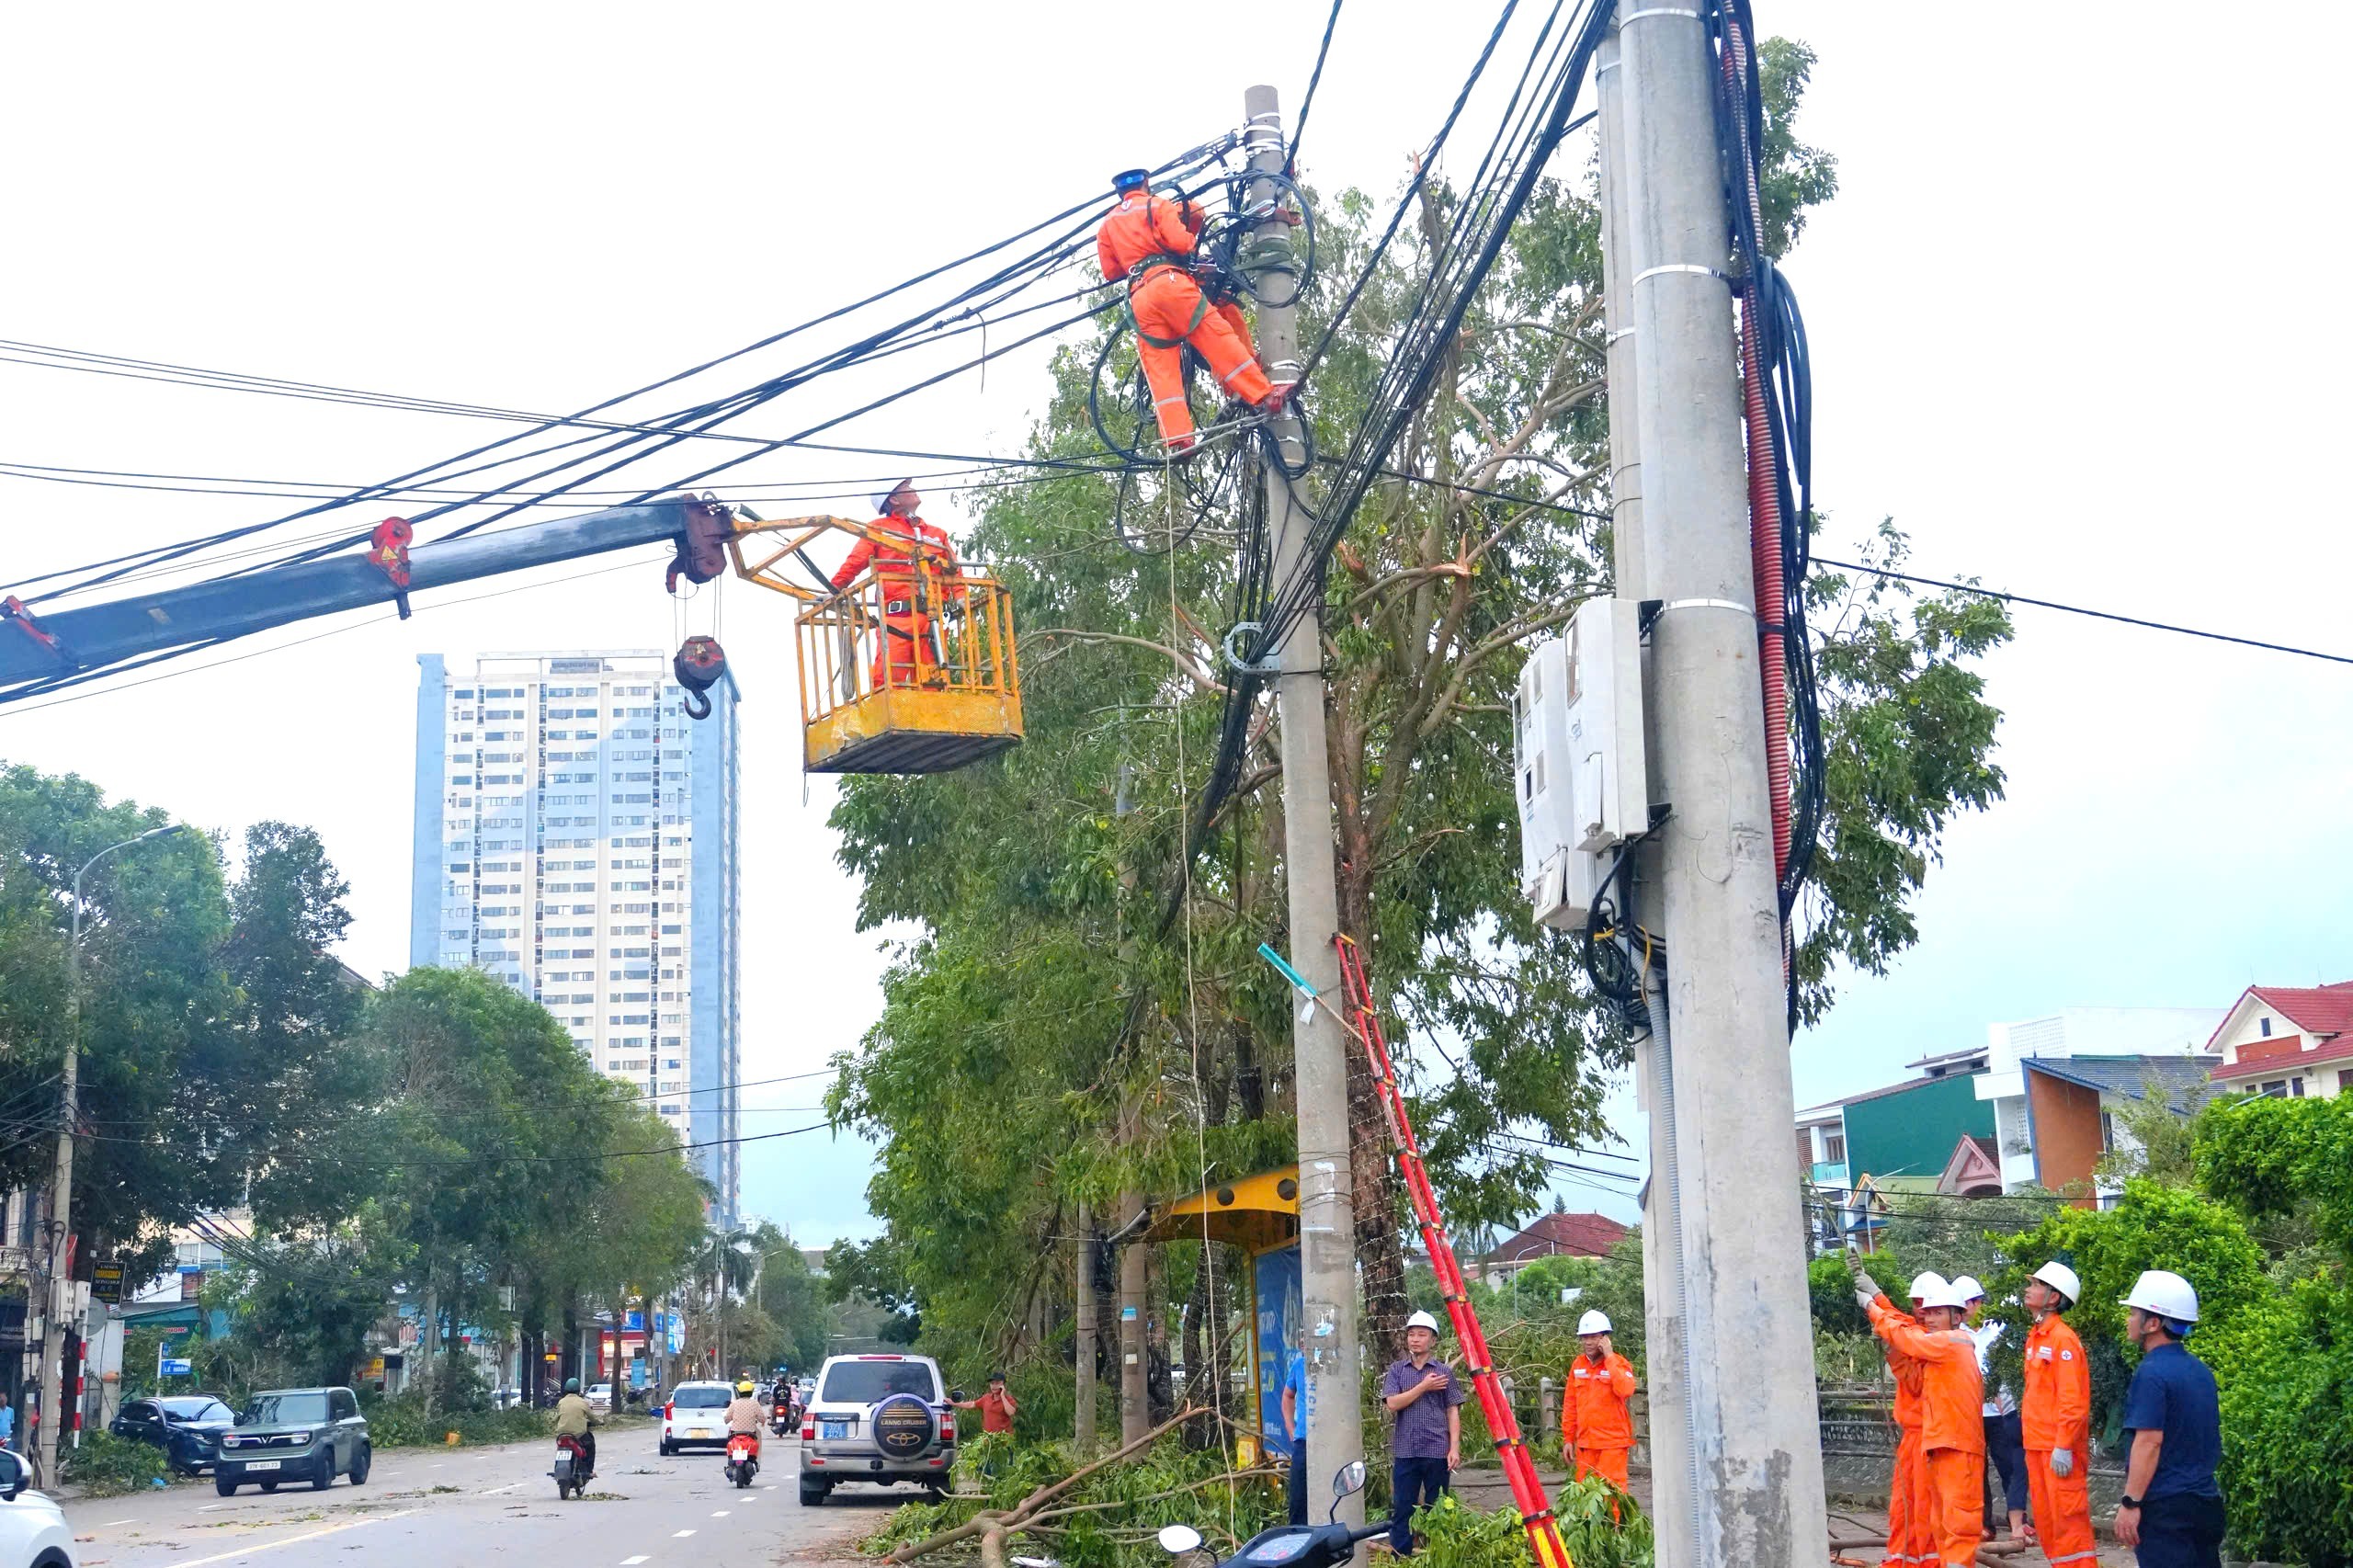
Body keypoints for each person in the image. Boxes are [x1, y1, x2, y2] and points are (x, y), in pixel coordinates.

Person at [1095, 168, 1287, 454]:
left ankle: (1178, 440)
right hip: (1169, 282)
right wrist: (1183, 245)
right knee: (1214, 335)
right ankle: (1262, 394)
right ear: (1147, 184)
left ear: (1118, 192)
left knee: (1161, 369)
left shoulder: (1107, 224)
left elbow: (1110, 271)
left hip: (1140, 299)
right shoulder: (1157, 205)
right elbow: (1181, 242)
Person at [1854, 1261, 1985, 1568]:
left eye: (1937, 1311)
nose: (1928, 1315)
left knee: (1955, 1524)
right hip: (1938, 1444)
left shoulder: (1950, 1342)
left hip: (1953, 1445)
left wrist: (1873, 1308)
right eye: (1927, 1310)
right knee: (1932, 1519)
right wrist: (1879, 1302)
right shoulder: (1936, 1345)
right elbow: (1906, 1334)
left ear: (1956, 1316)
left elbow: (1907, 1334)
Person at [2113, 1270, 2224, 1568]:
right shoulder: (2201, 1371)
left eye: (2134, 1312)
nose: (2128, 1319)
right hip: (2206, 1504)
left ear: (2153, 1323)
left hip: (2166, 1512)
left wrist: (2130, 1503)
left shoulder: (2151, 1373)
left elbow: (2149, 1442)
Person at [831, 481, 959, 690]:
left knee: (934, 679)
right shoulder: (879, 529)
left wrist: (961, 596)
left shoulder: (937, 534)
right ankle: (891, 717)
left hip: (931, 618)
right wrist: (834, 589)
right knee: (889, 679)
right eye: (906, 488)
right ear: (894, 499)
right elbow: (856, 560)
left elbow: (954, 570)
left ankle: (930, 717)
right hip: (897, 618)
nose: (914, 489)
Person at [2018, 1261, 2094, 1568]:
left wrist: (2063, 1445)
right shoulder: (2036, 1337)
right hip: (2037, 1447)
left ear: (2052, 1297)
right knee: (2049, 1525)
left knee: (2069, 1527)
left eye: (2036, 1284)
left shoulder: (2063, 1340)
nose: (2028, 1288)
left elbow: (2072, 1399)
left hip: (2057, 1450)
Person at [1871, 1270, 1944, 1568]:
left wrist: (1891, 1349)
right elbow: (1896, 1319)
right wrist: (1873, 1296)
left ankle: (1925, 1562)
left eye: (1925, 1305)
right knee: (1903, 1506)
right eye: (1916, 1303)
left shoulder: (1937, 1343)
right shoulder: (1917, 1330)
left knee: (1924, 1508)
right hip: (1913, 1438)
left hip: (1929, 1439)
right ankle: (1902, 1561)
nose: (1918, 1310)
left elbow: (1915, 1382)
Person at [1381, 1309, 1465, 1556]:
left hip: (1437, 1449)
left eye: (1421, 1334)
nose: (1415, 1339)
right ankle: (1401, 1558)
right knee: (1403, 1508)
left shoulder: (1444, 1372)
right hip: (1406, 1451)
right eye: (1411, 1334)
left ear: (1433, 1340)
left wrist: (1455, 1447)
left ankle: (1438, 1556)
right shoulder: (1397, 1370)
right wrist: (1424, 1386)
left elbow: (1452, 1410)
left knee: (1437, 1507)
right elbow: (1393, 1404)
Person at [1953, 1276, 2028, 1543]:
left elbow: (2012, 1364)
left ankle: (2019, 1520)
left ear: (1977, 1302)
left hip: (1998, 1413)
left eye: (1966, 1306)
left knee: (2010, 1466)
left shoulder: (1999, 1328)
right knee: (1976, 1471)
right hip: (1970, 1413)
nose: (1962, 1313)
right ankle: (1984, 1524)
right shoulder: (1957, 1334)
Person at [1559, 1310, 1638, 1503]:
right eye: (1584, 1337)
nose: (1588, 1342)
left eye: (1593, 1337)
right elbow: (1570, 1403)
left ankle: (1615, 1532)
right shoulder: (1577, 1365)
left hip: (1612, 1444)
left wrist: (1609, 1357)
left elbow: (1626, 1389)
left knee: (1612, 1497)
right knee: (1585, 1499)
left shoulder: (1619, 1364)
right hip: (1586, 1446)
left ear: (1605, 1338)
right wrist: (1568, 1438)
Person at [1279, 1347, 1309, 1525]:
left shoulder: (1335, 1364)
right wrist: (1291, 1428)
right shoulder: (1300, 1365)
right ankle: (1297, 1539)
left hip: (1331, 1443)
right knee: (1298, 1499)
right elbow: (1288, 1396)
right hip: (1303, 1442)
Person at [554, 1377, 602, 1475]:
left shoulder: (561, 1402)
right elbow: (592, 1417)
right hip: (578, 1435)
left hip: (562, 1434)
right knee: (590, 1445)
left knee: (560, 1448)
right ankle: (588, 1471)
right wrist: (600, 1422)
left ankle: (557, 1469)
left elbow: (555, 1418)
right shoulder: (582, 1402)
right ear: (578, 1391)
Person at [954, 1372, 1018, 1437]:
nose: (994, 1386)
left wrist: (1002, 1396)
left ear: (1003, 1385)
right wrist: (954, 1404)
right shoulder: (986, 1398)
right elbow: (972, 1404)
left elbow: (1011, 1413)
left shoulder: (1008, 1399)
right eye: (992, 1383)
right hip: (988, 1437)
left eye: (997, 1383)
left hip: (1004, 1438)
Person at [723, 1379, 766, 1460]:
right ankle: (756, 1462)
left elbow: (727, 1419)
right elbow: (762, 1418)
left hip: (735, 1433)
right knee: (758, 1439)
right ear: (751, 1392)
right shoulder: (754, 1403)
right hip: (750, 1433)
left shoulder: (734, 1403)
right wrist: (762, 1421)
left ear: (739, 1392)